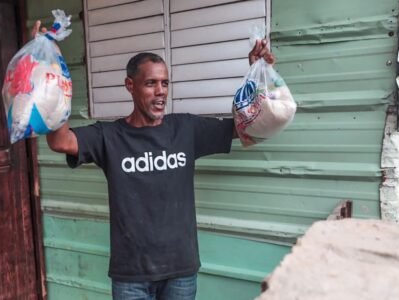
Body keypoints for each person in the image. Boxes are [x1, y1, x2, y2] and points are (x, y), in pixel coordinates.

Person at [32, 21, 275, 300]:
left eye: (164, 83)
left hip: (180, 271)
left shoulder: (185, 129)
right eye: (150, 83)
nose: (161, 91)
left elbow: (249, 126)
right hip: (131, 277)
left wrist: (259, 75)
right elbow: (59, 141)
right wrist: (47, 68)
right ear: (130, 86)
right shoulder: (109, 136)